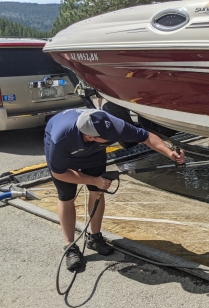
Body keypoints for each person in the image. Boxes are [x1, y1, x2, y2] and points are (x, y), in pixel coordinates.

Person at [44, 108, 185, 270]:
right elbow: (59, 174)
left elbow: (146, 136)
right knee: (66, 196)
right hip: (67, 153)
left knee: (97, 191)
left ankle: (94, 237)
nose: (115, 138)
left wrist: (169, 152)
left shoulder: (113, 125)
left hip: (94, 152)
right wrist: (93, 179)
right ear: (90, 136)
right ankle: (70, 246)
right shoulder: (60, 139)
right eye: (109, 138)